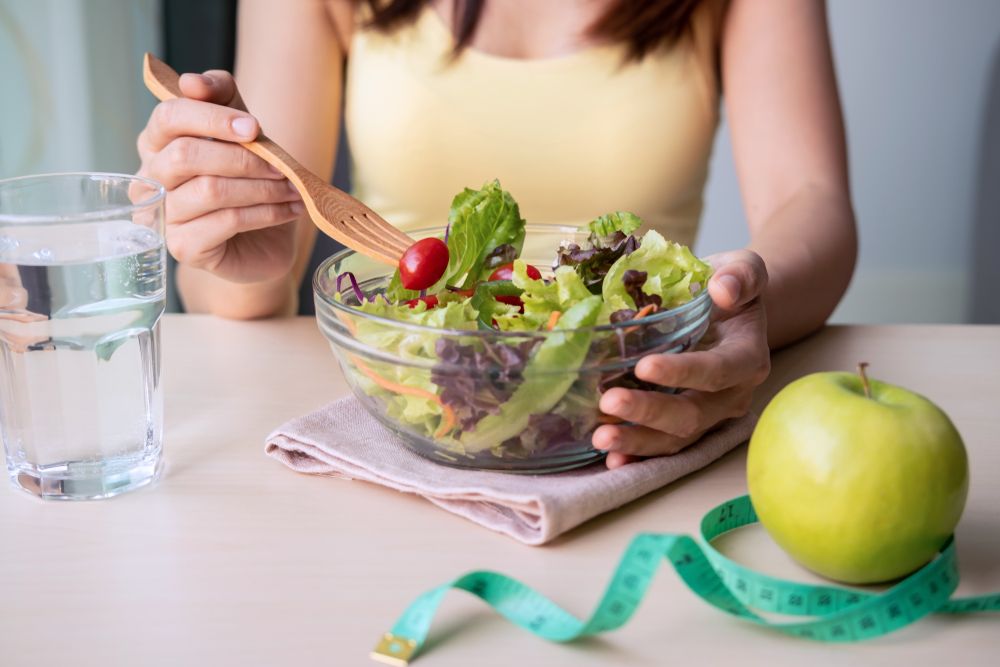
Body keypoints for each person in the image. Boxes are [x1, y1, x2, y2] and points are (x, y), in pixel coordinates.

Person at [136, 0, 857, 469]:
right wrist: (236, 241)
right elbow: (238, 289)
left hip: (641, 407)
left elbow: (812, 201)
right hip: (409, 425)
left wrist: (732, 302)